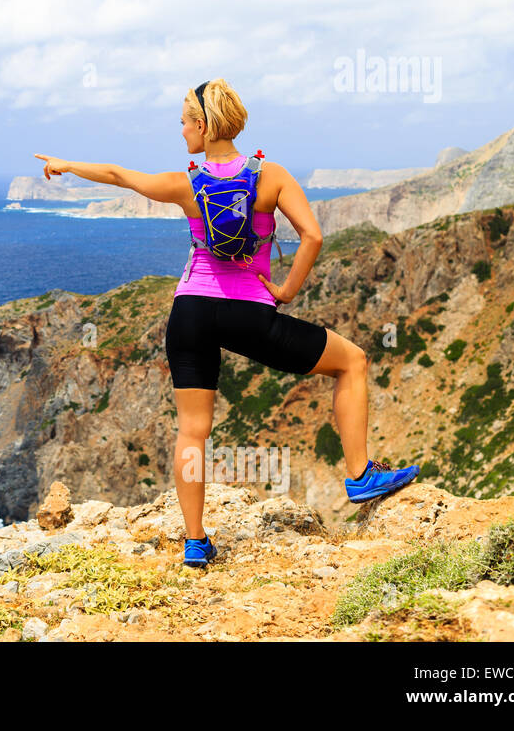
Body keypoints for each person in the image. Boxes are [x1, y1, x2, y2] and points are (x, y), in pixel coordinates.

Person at [34, 78, 420, 569]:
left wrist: (66, 164)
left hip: (190, 312)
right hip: (247, 313)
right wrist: (285, 291)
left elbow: (118, 175)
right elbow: (313, 237)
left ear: (202, 125)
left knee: (192, 431)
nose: (181, 132)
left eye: (183, 123)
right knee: (353, 362)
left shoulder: (184, 182)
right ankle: (361, 473)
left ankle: (196, 542)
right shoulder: (272, 176)